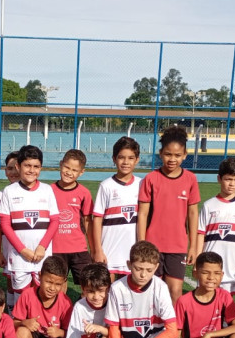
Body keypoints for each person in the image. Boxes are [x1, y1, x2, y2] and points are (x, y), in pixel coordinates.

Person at [137, 126, 200, 305]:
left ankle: (173, 332)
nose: (172, 159)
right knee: (150, 291)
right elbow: (142, 214)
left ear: (185, 155)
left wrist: (193, 246)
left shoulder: (190, 179)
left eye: (177, 155)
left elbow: (193, 214)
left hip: (177, 246)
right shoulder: (151, 179)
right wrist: (142, 243)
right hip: (153, 245)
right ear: (160, 153)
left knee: (175, 291)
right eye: (168, 154)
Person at [0, 145, 60, 307]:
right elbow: (4, 224)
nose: (32, 170)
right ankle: (18, 330)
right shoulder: (9, 192)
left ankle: (40, 331)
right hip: (19, 257)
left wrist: (42, 247)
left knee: (44, 296)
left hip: (42, 255)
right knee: (21, 299)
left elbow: (54, 221)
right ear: (18, 166)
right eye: (27, 165)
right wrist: (22, 249)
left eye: (36, 166)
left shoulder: (47, 190)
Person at [196, 158, 235, 295]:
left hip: (232, 265)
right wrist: (198, 261)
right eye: (228, 179)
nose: (232, 184)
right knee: (206, 297)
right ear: (219, 179)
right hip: (209, 264)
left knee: (227, 304)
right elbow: (200, 235)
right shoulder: (209, 205)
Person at [92, 137, 142, 278]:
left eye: (131, 158)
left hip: (133, 252)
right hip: (109, 251)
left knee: (129, 293)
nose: (126, 162)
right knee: (107, 292)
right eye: (121, 157)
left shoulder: (142, 184)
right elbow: (97, 220)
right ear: (114, 159)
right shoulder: (106, 185)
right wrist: (98, 250)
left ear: (137, 160)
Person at [52, 149, 94, 285]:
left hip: (79, 249)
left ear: (81, 172)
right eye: (67, 167)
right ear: (60, 164)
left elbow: (88, 222)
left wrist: (92, 249)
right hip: (55, 249)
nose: (69, 172)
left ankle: (82, 307)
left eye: (74, 170)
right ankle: (61, 307)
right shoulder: (48, 191)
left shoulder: (84, 193)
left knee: (86, 284)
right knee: (58, 286)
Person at [0, 151, 20, 310]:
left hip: (29, 247)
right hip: (8, 247)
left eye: (16, 168)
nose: (13, 172)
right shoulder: (0, 195)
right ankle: (12, 315)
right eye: (9, 168)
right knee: (11, 281)